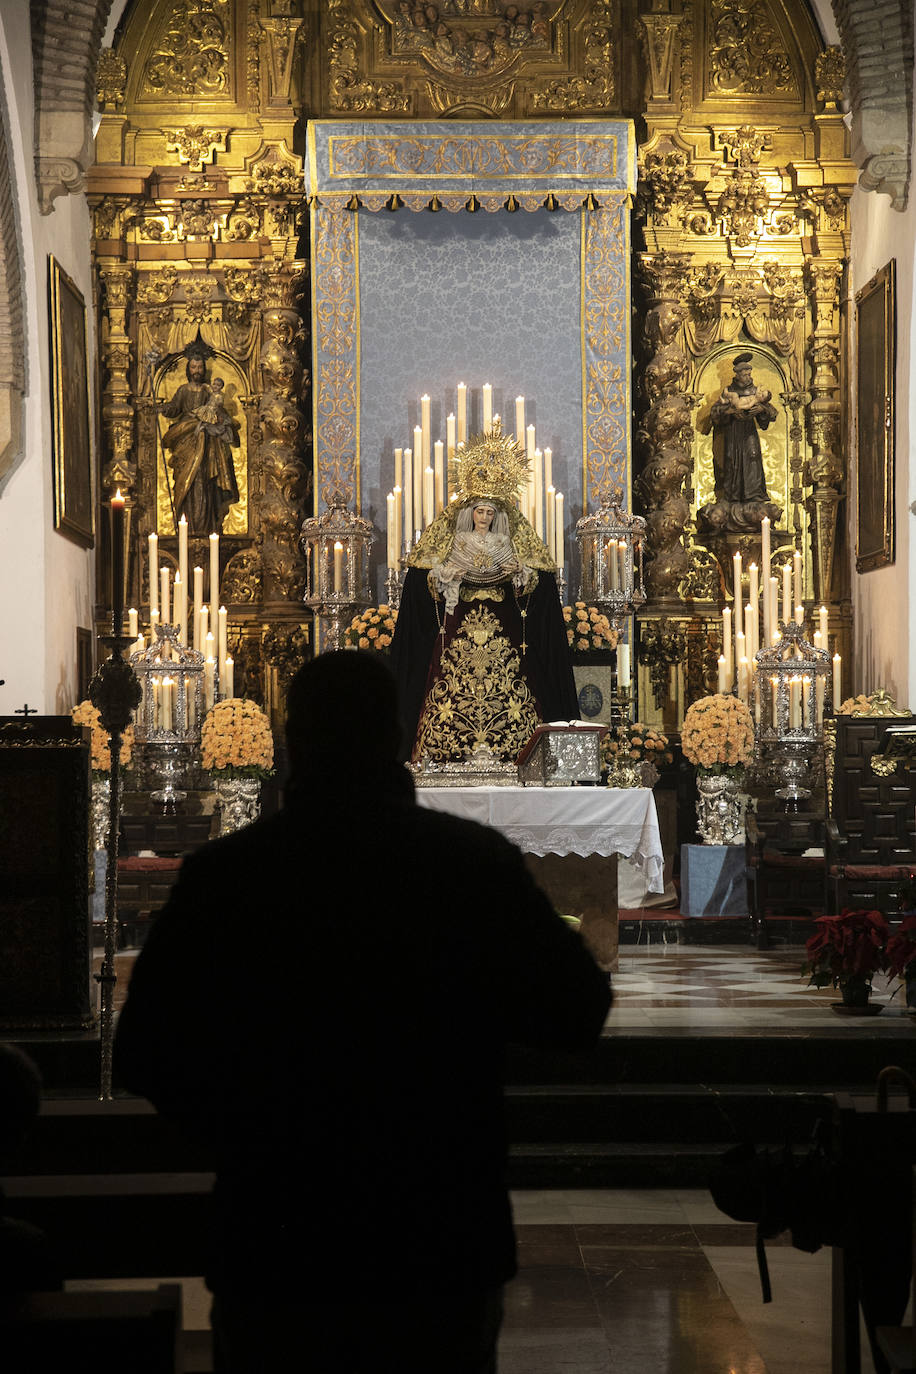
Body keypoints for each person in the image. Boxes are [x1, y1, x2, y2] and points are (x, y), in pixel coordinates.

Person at [113, 651, 612, 1374]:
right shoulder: (470, 864)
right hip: (437, 1230)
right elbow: (577, 1011)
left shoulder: (228, 876)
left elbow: (145, 1052)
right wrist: (469, 1054)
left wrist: (250, 1129)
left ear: (293, 741)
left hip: (279, 1237)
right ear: (395, 736)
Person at [390, 421, 577, 764]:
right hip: (459, 625)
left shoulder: (505, 541)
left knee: (513, 687)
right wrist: (448, 575)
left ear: (497, 516)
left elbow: (531, 580)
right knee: (449, 685)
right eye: (480, 510)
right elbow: (431, 577)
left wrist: (519, 574)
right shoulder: (457, 540)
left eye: (490, 512)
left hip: (503, 627)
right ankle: (444, 755)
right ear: (470, 512)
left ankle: (518, 753)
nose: (485, 517)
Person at [699, 351, 782, 534]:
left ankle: (754, 496)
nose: (747, 377)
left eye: (749, 373)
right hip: (734, 435)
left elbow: (771, 412)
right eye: (744, 374)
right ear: (737, 374)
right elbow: (716, 413)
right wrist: (730, 412)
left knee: (752, 459)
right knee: (732, 461)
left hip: (749, 433)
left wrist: (760, 410)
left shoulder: (756, 392)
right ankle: (733, 496)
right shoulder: (729, 392)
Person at [160, 355, 240, 535]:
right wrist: (163, 408)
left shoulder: (207, 391)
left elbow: (216, 410)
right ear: (188, 370)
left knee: (204, 483)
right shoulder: (183, 390)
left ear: (204, 370)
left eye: (199, 367)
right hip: (186, 439)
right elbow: (174, 408)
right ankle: (186, 525)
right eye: (193, 367)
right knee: (185, 483)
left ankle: (207, 527)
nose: (196, 371)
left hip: (205, 442)